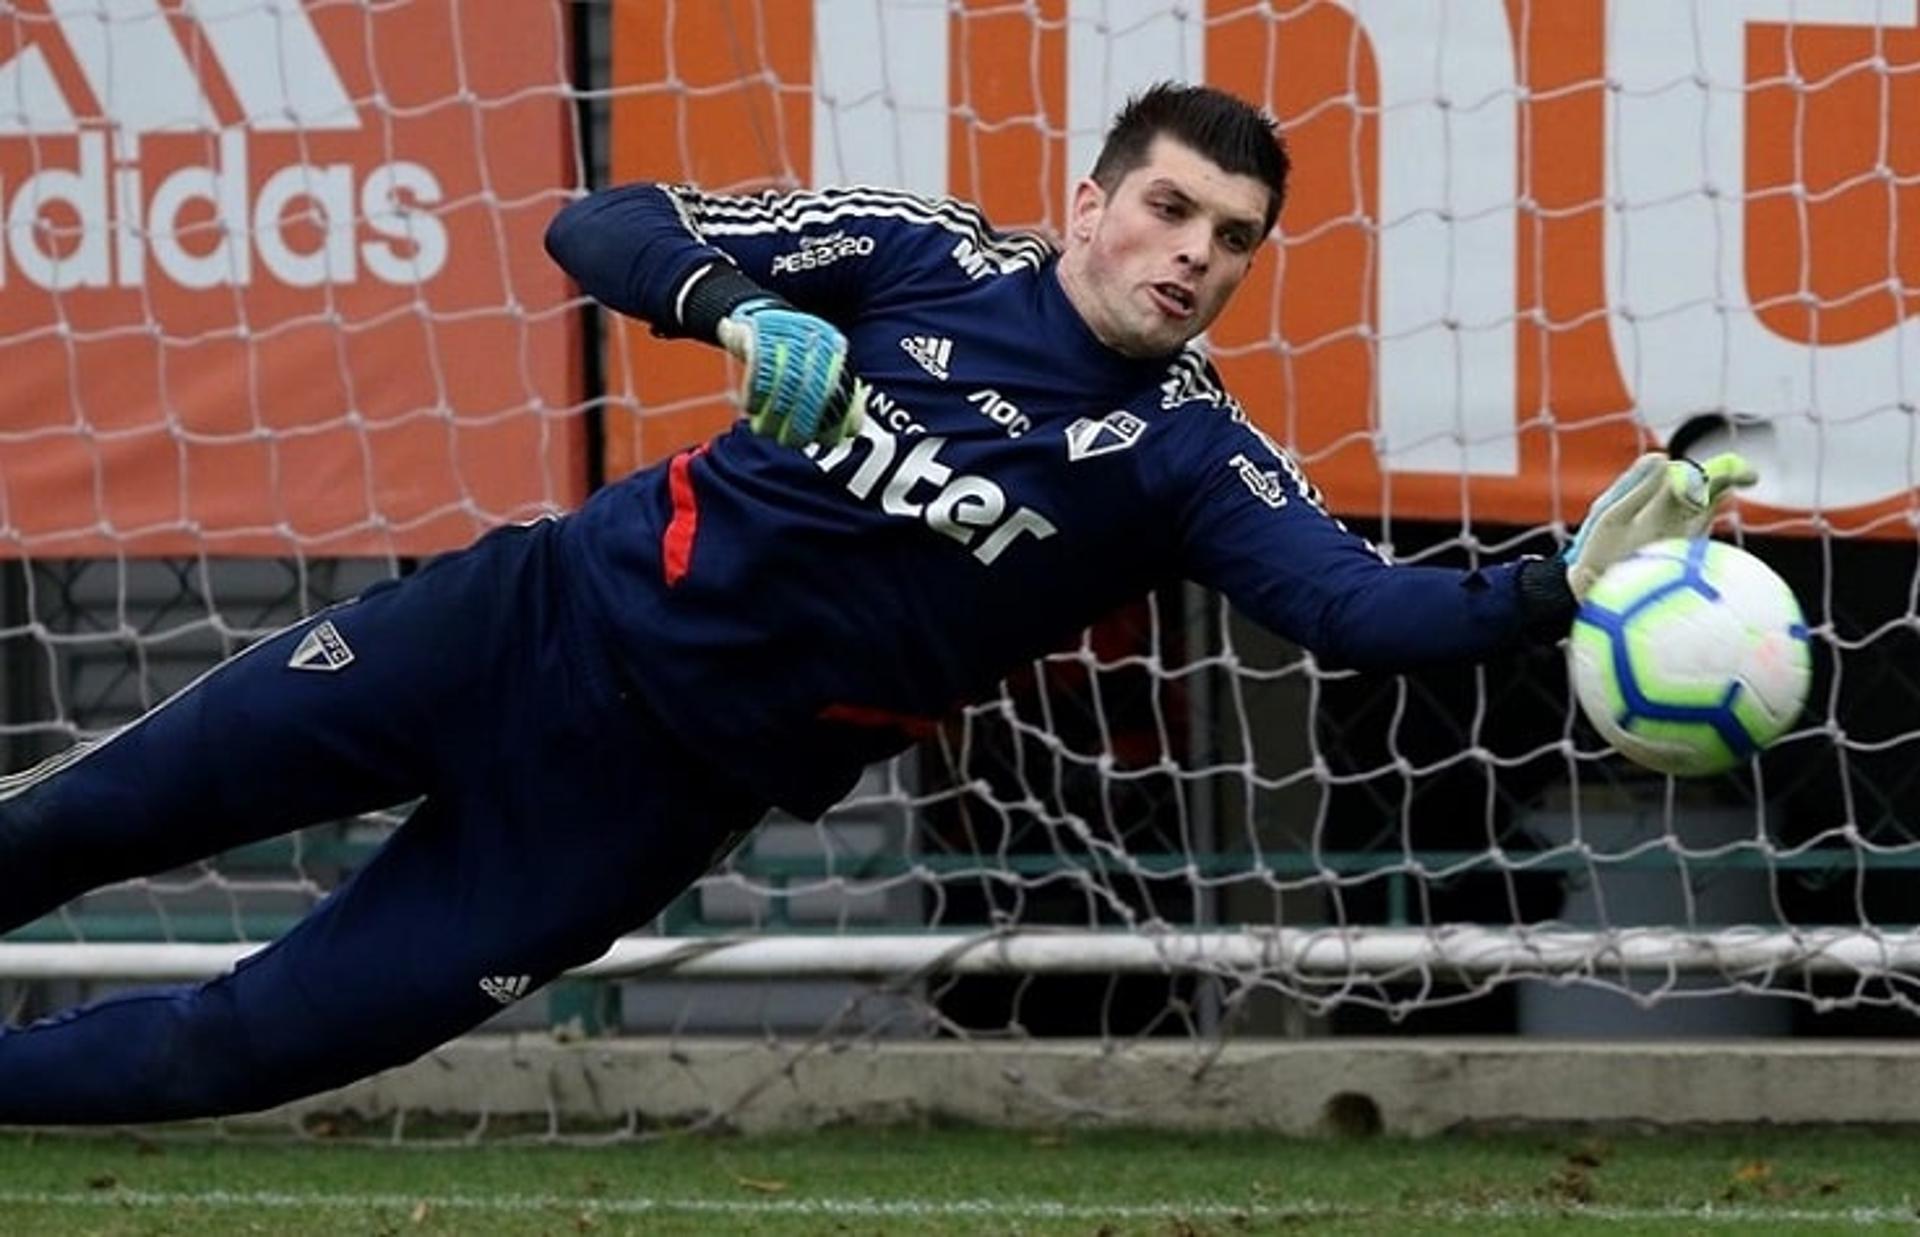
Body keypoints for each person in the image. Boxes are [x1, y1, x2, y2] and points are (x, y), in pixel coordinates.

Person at [0, 84, 1751, 1123]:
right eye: (1166, 209)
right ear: (1089, 200)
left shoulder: (1189, 457)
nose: (1192, 258)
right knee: (93, 813)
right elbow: (596, 222)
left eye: (1229, 240)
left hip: (640, 800)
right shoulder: (920, 254)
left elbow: (1362, 612)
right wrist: (723, 306)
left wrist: (1555, 588)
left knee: (262, 1038)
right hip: (514, 624)